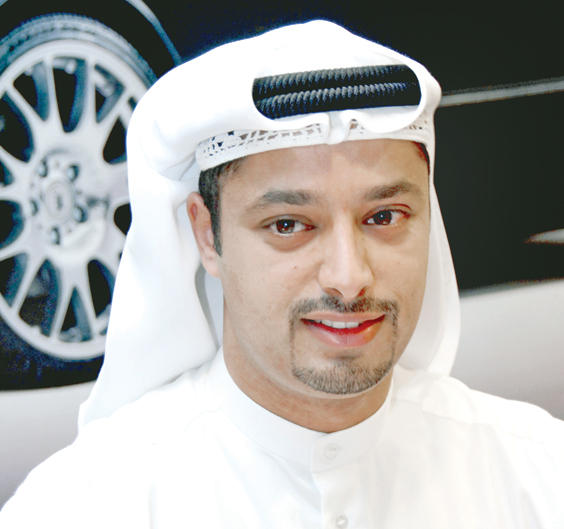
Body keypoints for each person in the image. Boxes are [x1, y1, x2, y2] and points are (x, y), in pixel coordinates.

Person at [1, 20, 563, 528]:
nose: (348, 277)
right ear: (206, 234)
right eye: (289, 225)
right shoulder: (86, 506)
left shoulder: (535, 471)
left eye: (384, 217)